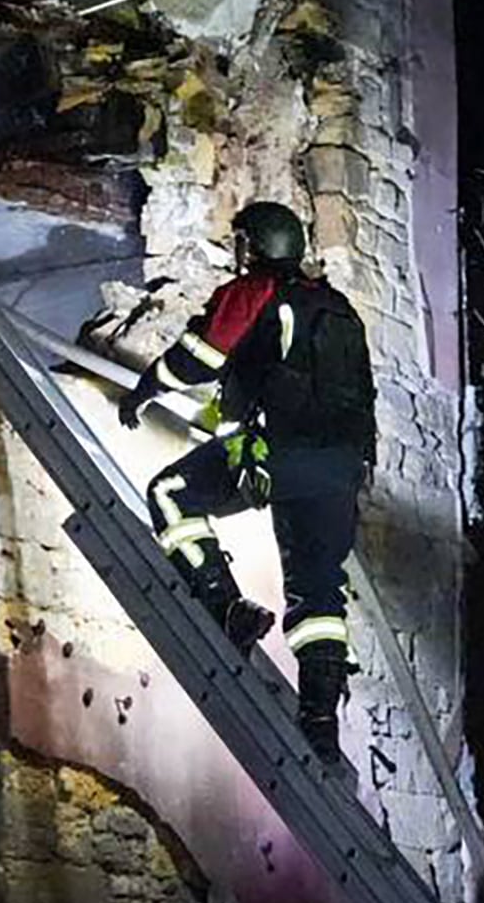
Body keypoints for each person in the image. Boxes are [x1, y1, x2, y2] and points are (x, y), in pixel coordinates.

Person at [117, 200, 378, 775]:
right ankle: (320, 724)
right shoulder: (337, 309)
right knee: (318, 597)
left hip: (274, 457)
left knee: (171, 493)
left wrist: (143, 389)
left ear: (253, 247)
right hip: (339, 472)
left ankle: (225, 604)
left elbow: (199, 359)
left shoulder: (255, 291)